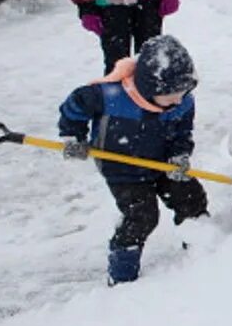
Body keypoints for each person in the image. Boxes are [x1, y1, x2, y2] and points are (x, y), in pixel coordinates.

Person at [58, 34, 206, 286]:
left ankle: (203, 252)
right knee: (142, 216)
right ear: (150, 87)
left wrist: (180, 155)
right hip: (121, 167)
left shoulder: (182, 103)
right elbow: (73, 107)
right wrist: (74, 136)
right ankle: (122, 274)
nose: (179, 100)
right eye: (172, 94)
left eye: (184, 92)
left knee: (191, 197)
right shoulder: (109, 96)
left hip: (162, 163)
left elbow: (183, 133)